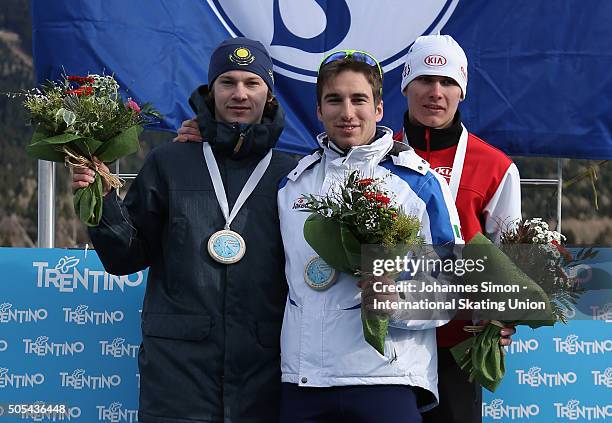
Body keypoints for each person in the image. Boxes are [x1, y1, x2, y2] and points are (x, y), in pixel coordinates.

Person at [73, 37, 297, 423]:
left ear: (270, 96)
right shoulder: (170, 162)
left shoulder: (292, 175)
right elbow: (124, 256)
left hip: (265, 375)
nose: (239, 93)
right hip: (178, 378)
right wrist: (101, 200)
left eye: (252, 83)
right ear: (211, 93)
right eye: (227, 82)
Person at [276, 51, 463, 423]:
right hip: (305, 380)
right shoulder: (292, 185)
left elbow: (452, 284)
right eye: (334, 100)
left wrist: (397, 299)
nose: (347, 112)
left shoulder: (418, 182)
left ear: (379, 109)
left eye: (358, 99)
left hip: (386, 378)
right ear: (319, 111)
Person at [394, 34, 521, 423]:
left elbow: (509, 255)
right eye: (425, 80)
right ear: (406, 85)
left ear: (461, 91)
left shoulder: (495, 166)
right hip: (390, 339)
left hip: (459, 343)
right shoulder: (380, 154)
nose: (436, 92)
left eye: (448, 82)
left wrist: (503, 315)